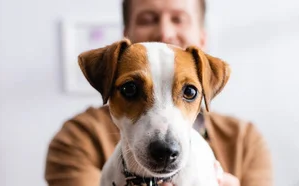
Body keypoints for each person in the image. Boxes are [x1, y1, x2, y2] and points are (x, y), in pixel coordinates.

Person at [44, 0, 273, 185]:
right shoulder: (79, 137)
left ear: (203, 38)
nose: (164, 32)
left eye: (178, 19)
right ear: (126, 32)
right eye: (131, 89)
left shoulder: (245, 139)